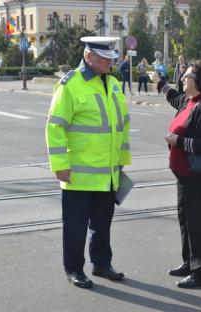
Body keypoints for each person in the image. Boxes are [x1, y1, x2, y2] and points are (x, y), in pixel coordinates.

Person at [45, 36, 132, 289]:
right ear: (89, 57)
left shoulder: (114, 83)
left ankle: (102, 264)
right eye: (105, 59)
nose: (111, 63)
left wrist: (121, 161)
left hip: (108, 172)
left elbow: (122, 125)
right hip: (78, 174)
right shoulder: (70, 85)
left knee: (102, 225)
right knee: (75, 227)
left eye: (112, 59)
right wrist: (60, 164)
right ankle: (73, 268)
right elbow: (55, 127)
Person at [149, 61, 201, 288]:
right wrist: (158, 83)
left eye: (187, 76)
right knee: (186, 220)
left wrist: (179, 141)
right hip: (185, 175)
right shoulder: (188, 102)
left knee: (199, 223)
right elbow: (172, 96)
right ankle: (189, 262)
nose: (182, 78)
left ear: (198, 81)